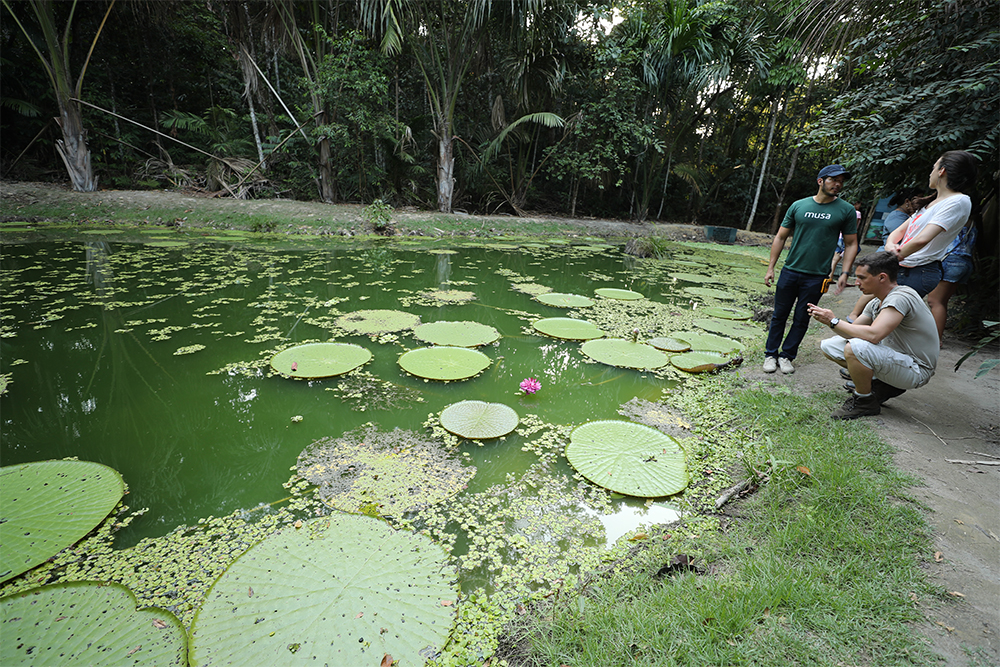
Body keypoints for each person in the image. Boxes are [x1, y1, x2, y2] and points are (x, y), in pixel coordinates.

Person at [846, 150, 979, 321]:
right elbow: (899, 231)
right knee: (872, 315)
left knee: (882, 322)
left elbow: (923, 239)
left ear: (942, 171)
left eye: (933, 168)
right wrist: (890, 247)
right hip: (901, 265)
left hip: (917, 271)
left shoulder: (959, 201)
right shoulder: (931, 202)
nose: (930, 173)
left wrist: (892, 257)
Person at [807, 252, 939, 420]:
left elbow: (874, 335)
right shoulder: (877, 301)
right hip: (898, 360)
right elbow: (853, 330)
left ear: (882, 277)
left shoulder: (900, 297)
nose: (856, 283)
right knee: (830, 346)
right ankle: (883, 384)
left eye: (862, 278)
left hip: (916, 369)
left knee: (855, 349)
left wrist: (833, 321)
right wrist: (829, 321)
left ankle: (864, 401)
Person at [763, 164, 859, 374]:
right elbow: (780, 236)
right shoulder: (798, 206)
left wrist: (844, 272)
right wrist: (771, 268)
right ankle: (770, 354)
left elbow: (851, 244)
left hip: (817, 277)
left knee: (802, 318)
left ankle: (787, 356)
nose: (838, 184)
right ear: (820, 181)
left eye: (841, 181)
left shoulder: (846, 210)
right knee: (779, 314)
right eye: (834, 179)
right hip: (790, 271)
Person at [925, 220, 977, 342]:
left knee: (934, 301)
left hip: (950, 260)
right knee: (942, 302)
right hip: (964, 262)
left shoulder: (956, 218)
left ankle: (935, 341)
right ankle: (937, 338)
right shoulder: (972, 222)